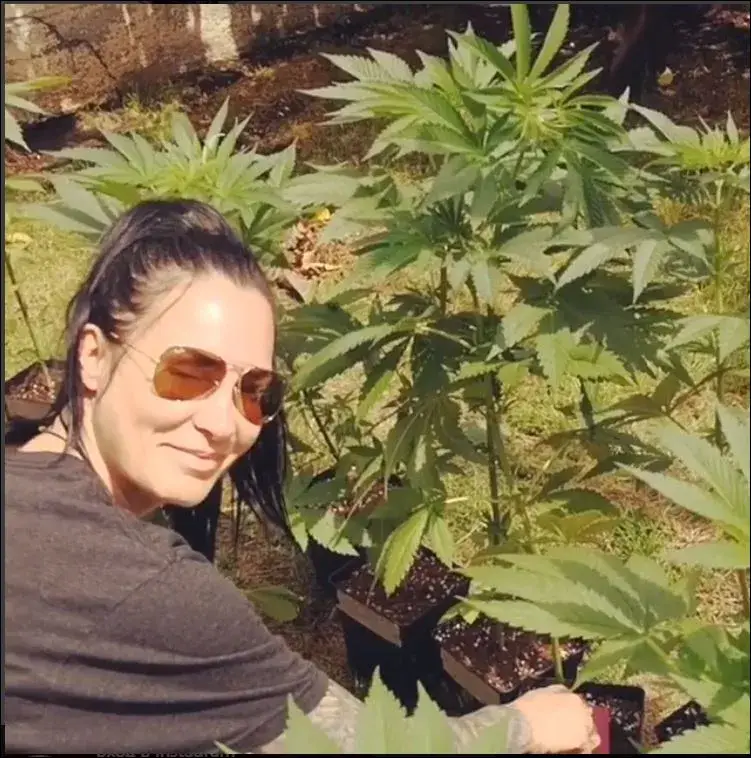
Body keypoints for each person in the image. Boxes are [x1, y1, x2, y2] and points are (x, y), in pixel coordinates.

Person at [5, 199, 601, 754]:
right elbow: (373, 747)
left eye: (253, 392)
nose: (224, 423)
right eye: (188, 372)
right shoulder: (149, 591)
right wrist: (527, 725)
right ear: (92, 354)